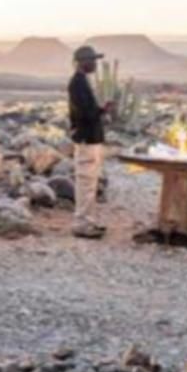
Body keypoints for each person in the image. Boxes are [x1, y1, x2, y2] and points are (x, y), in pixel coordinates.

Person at [67, 45, 112, 238]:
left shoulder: (81, 81)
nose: (95, 64)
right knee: (86, 183)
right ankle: (82, 225)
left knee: (89, 183)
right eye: (92, 60)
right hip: (87, 138)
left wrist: (101, 110)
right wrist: (103, 110)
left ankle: (88, 221)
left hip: (90, 138)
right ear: (82, 62)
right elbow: (86, 114)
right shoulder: (77, 83)